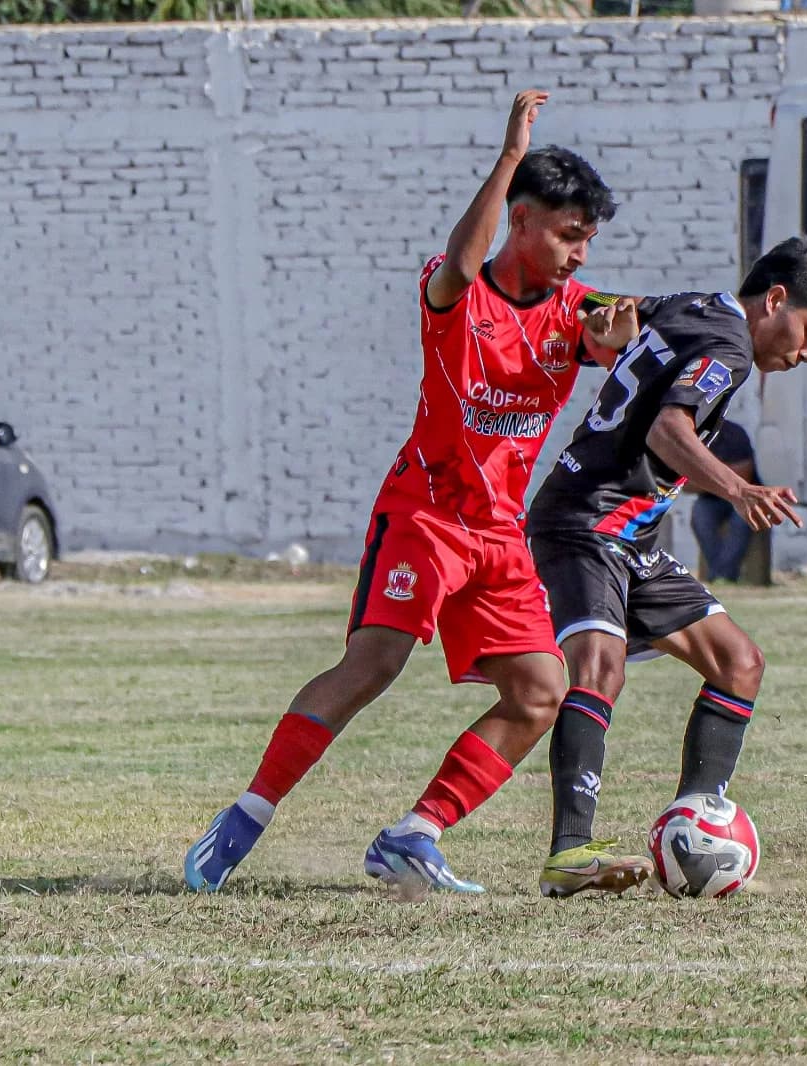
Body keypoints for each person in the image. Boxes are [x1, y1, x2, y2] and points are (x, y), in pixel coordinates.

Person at [184, 89, 634, 896]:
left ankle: (413, 834)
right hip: (425, 515)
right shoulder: (455, 289)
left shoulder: (575, 310)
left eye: (590, 241)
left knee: (540, 692)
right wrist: (507, 155)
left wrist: (619, 333)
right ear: (521, 219)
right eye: (570, 236)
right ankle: (247, 814)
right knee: (373, 664)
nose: (581, 255)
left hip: (499, 536)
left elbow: (615, 322)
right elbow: (464, 263)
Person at [525, 237, 807, 898]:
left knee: (739, 662)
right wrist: (737, 490)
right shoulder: (730, 350)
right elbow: (666, 431)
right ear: (777, 299)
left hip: (631, 535)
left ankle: (696, 824)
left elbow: (611, 310)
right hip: (587, 518)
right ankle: (569, 853)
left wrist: (603, 324)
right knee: (600, 667)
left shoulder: (692, 306)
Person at [690, 418, 758, 582]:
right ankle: (721, 574)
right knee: (700, 517)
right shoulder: (694, 438)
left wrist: (706, 479)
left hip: (742, 496)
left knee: (742, 521)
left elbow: (745, 474)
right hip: (711, 498)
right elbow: (686, 484)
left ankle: (722, 575)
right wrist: (726, 477)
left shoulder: (735, 434)